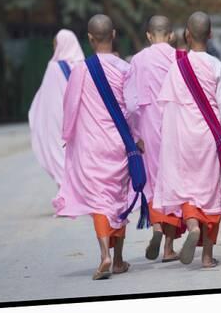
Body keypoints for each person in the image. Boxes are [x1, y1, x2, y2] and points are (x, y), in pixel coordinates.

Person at [154, 11, 221, 268]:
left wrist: (168, 145)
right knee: (211, 192)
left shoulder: (177, 66)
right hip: (210, 137)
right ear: (211, 34)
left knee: (189, 192)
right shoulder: (217, 66)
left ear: (186, 35)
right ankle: (206, 256)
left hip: (183, 139)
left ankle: (192, 225)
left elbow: (167, 109)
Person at [52, 15, 135, 279]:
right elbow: (132, 109)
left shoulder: (81, 69)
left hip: (91, 145)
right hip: (119, 143)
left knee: (100, 201)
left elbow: (71, 104)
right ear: (113, 35)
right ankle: (119, 259)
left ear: (89, 38)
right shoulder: (125, 68)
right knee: (118, 199)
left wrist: (67, 134)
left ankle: (105, 256)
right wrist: (137, 139)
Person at [124, 15, 182, 262]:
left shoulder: (137, 60)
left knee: (154, 182)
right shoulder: (181, 58)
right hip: (176, 126)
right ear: (170, 35)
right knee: (174, 182)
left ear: (148, 36)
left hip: (148, 126)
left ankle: (157, 228)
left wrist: (135, 134)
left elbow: (131, 103)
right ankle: (168, 247)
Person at [28, 29, 85, 187]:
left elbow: (47, 100)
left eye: (55, 45)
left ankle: (66, 195)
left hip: (59, 122)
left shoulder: (54, 68)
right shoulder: (83, 66)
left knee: (60, 156)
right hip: (82, 121)